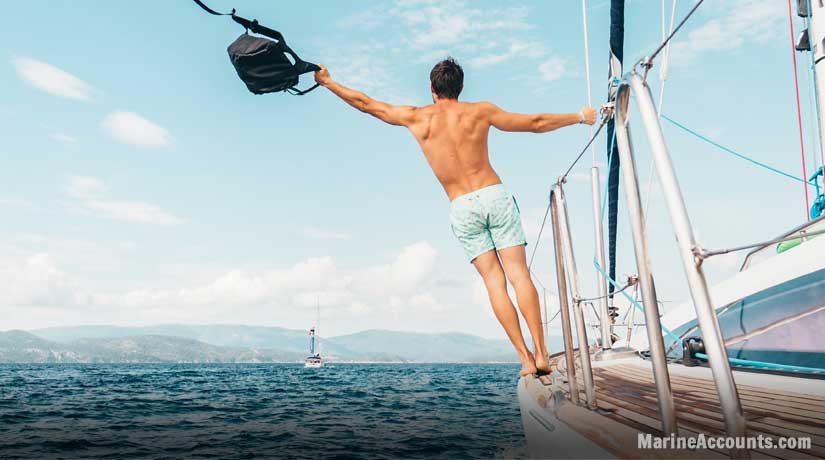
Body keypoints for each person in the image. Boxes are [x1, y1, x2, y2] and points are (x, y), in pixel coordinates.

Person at [314, 58, 597, 376]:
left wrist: (328, 82)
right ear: (460, 88)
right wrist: (579, 117)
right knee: (519, 275)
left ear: (432, 89)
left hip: (462, 205)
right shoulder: (481, 111)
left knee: (495, 282)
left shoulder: (417, 118)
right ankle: (543, 354)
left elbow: (366, 104)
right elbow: (536, 122)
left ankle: (526, 360)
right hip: (494, 194)